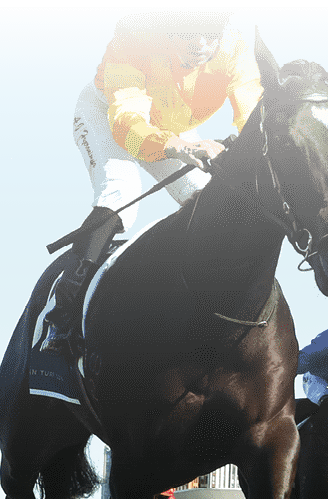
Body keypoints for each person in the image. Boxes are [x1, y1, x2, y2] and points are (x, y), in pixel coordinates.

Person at [40, 10, 264, 353]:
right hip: (109, 114)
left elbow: (254, 116)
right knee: (122, 192)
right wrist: (182, 146)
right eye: (191, 32)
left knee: (207, 200)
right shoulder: (134, 39)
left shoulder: (234, 49)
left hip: (169, 119)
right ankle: (63, 310)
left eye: (211, 32)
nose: (202, 44)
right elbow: (128, 125)